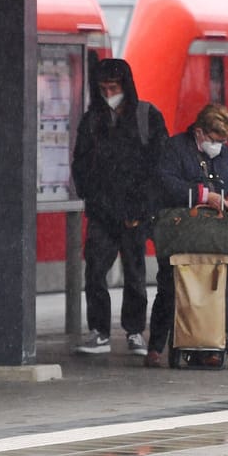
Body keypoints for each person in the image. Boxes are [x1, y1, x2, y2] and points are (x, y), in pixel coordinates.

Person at [71, 58, 168, 355]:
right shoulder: (93, 120)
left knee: (134, 272)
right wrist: (93, 199)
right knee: (95, 271)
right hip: (103, 210)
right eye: (103, 88)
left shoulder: (146, 115)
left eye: (113, 87)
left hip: (134, 212)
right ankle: (100, 330)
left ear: (125, 86)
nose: (108, 93)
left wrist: (142, 209)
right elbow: (81, 164)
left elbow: (158, 165)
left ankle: (134, 330)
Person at [145, 104, 228, 367]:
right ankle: (156, 345)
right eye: (216, 139)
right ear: (200, 132)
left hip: (212, 232)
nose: (220, 145)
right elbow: (165, 182)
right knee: (169, 287)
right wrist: (203, 195)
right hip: (179, 230)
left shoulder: (223, 152)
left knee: (213, 286)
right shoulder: (175, 148)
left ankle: (211, 344)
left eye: (224, 140)